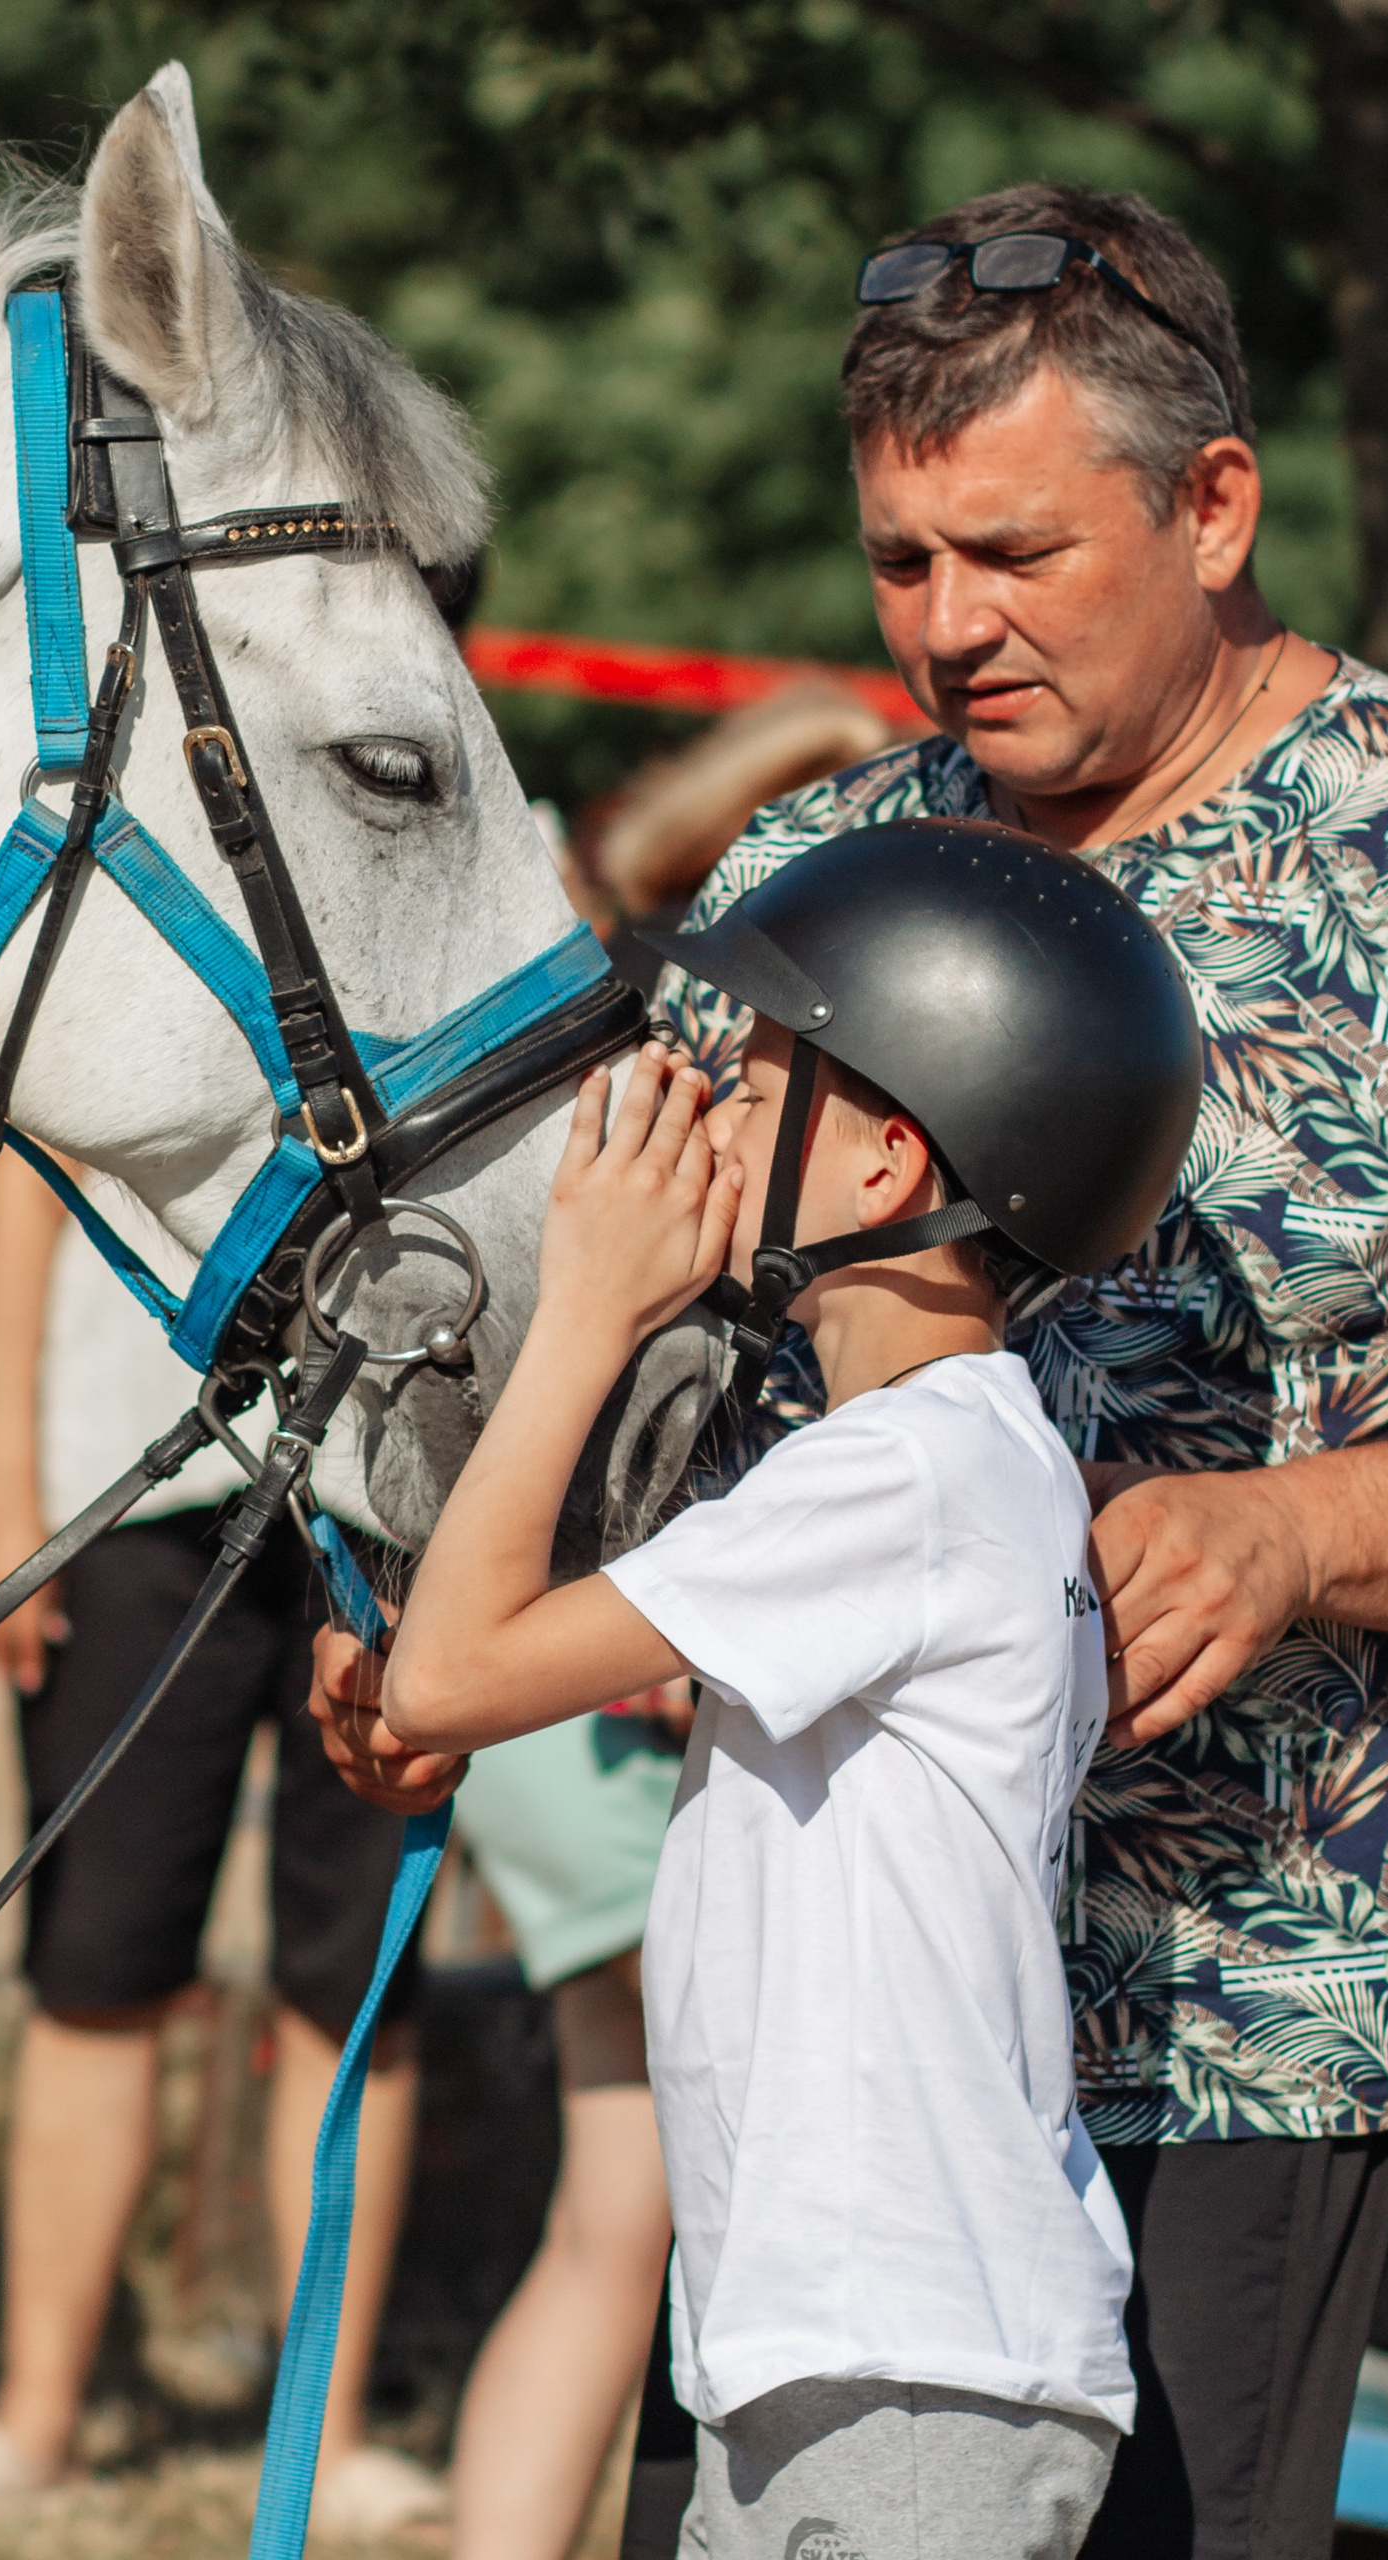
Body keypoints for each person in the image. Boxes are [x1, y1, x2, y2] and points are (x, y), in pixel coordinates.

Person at [318, 177, 1388, 2560]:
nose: (944, 628)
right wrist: (459, 1633)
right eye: (901, 563)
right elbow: (660, 1359)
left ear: (1208, 503)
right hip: (814, 2069)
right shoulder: (822, 872)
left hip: (1216, 2027)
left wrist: (1301, 1525)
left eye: (1009, 553)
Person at [333, 822, 1204, 2559]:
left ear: (884, 1165)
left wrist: (585, 1305)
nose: (705, 1113)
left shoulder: (901, 1474)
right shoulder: (951, 1463)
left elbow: (449, 1679)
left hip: (896, 2363)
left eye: (753, 1082)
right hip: (867, 2348)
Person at [0, 1144, 442, 2536]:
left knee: (356, 1975)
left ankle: (330, 2433)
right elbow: (27, 1178)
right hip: (137, 1490)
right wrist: (4, 1479)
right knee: (98, 1959)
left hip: (388, 1494)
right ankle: (38, 2417)